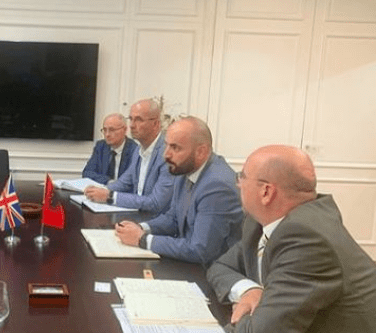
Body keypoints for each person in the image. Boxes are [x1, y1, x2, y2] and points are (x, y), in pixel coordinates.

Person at [206, 145, 376, 332]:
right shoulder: (260, 222)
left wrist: (243, 313)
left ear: (266, 192)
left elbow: (262, 331)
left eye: (242, 176)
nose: (238, 184)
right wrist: (248, 290)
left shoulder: (307, 239)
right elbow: (221, 267)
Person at [115, 116, 242, 266]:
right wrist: (141, 228)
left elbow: (200, 251)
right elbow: (173, 219)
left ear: (201, 152)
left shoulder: (217, 186)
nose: (166, 155)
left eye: (175, 148)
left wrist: (142, 239)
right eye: (166, 145)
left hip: (210, 270)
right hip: (189, 263)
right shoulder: (185, 168)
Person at [84, 99, 174, 215]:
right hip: (137, 214)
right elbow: (124, 182)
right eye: (131, 119)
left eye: (138, 120)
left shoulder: (168, 154)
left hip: (157, 219)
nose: (131, 125)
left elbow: (156, 203)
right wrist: (100, 191)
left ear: (155, 124)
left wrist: (110, 196)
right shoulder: (138, 150)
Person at [82, 113, 137, 185]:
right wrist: (109, 182)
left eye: (112, 130)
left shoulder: (134, 150)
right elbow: (87, 173)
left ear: (124, 130)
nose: (107, 134)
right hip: (101, 189)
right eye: (105, 130)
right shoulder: (101, 146)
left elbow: (131, 181)